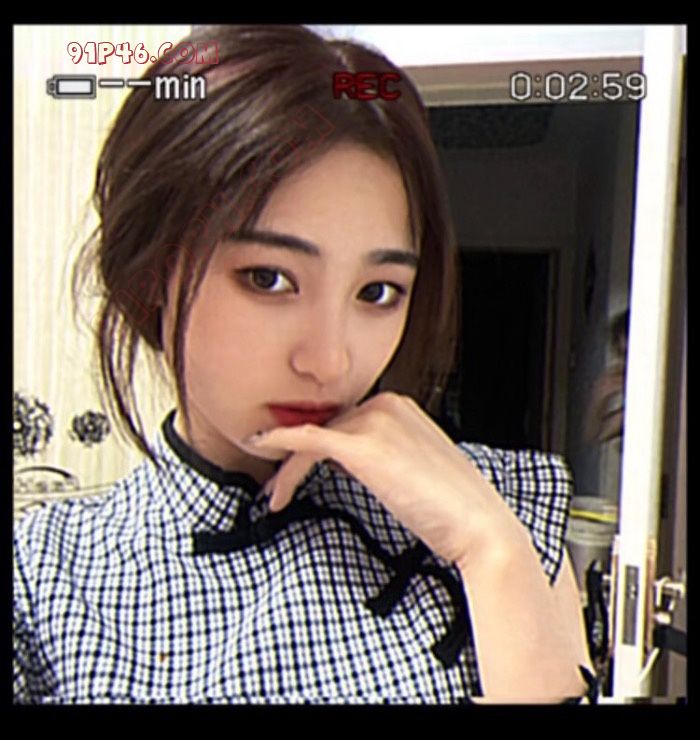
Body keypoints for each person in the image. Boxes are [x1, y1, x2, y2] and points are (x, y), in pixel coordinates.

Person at [14, 24, 596, 704]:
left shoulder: (496, 506)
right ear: (152, 275)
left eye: (377, 293)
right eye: (269, 278)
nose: (330, 360)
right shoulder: (47, 579)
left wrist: (489, 549)